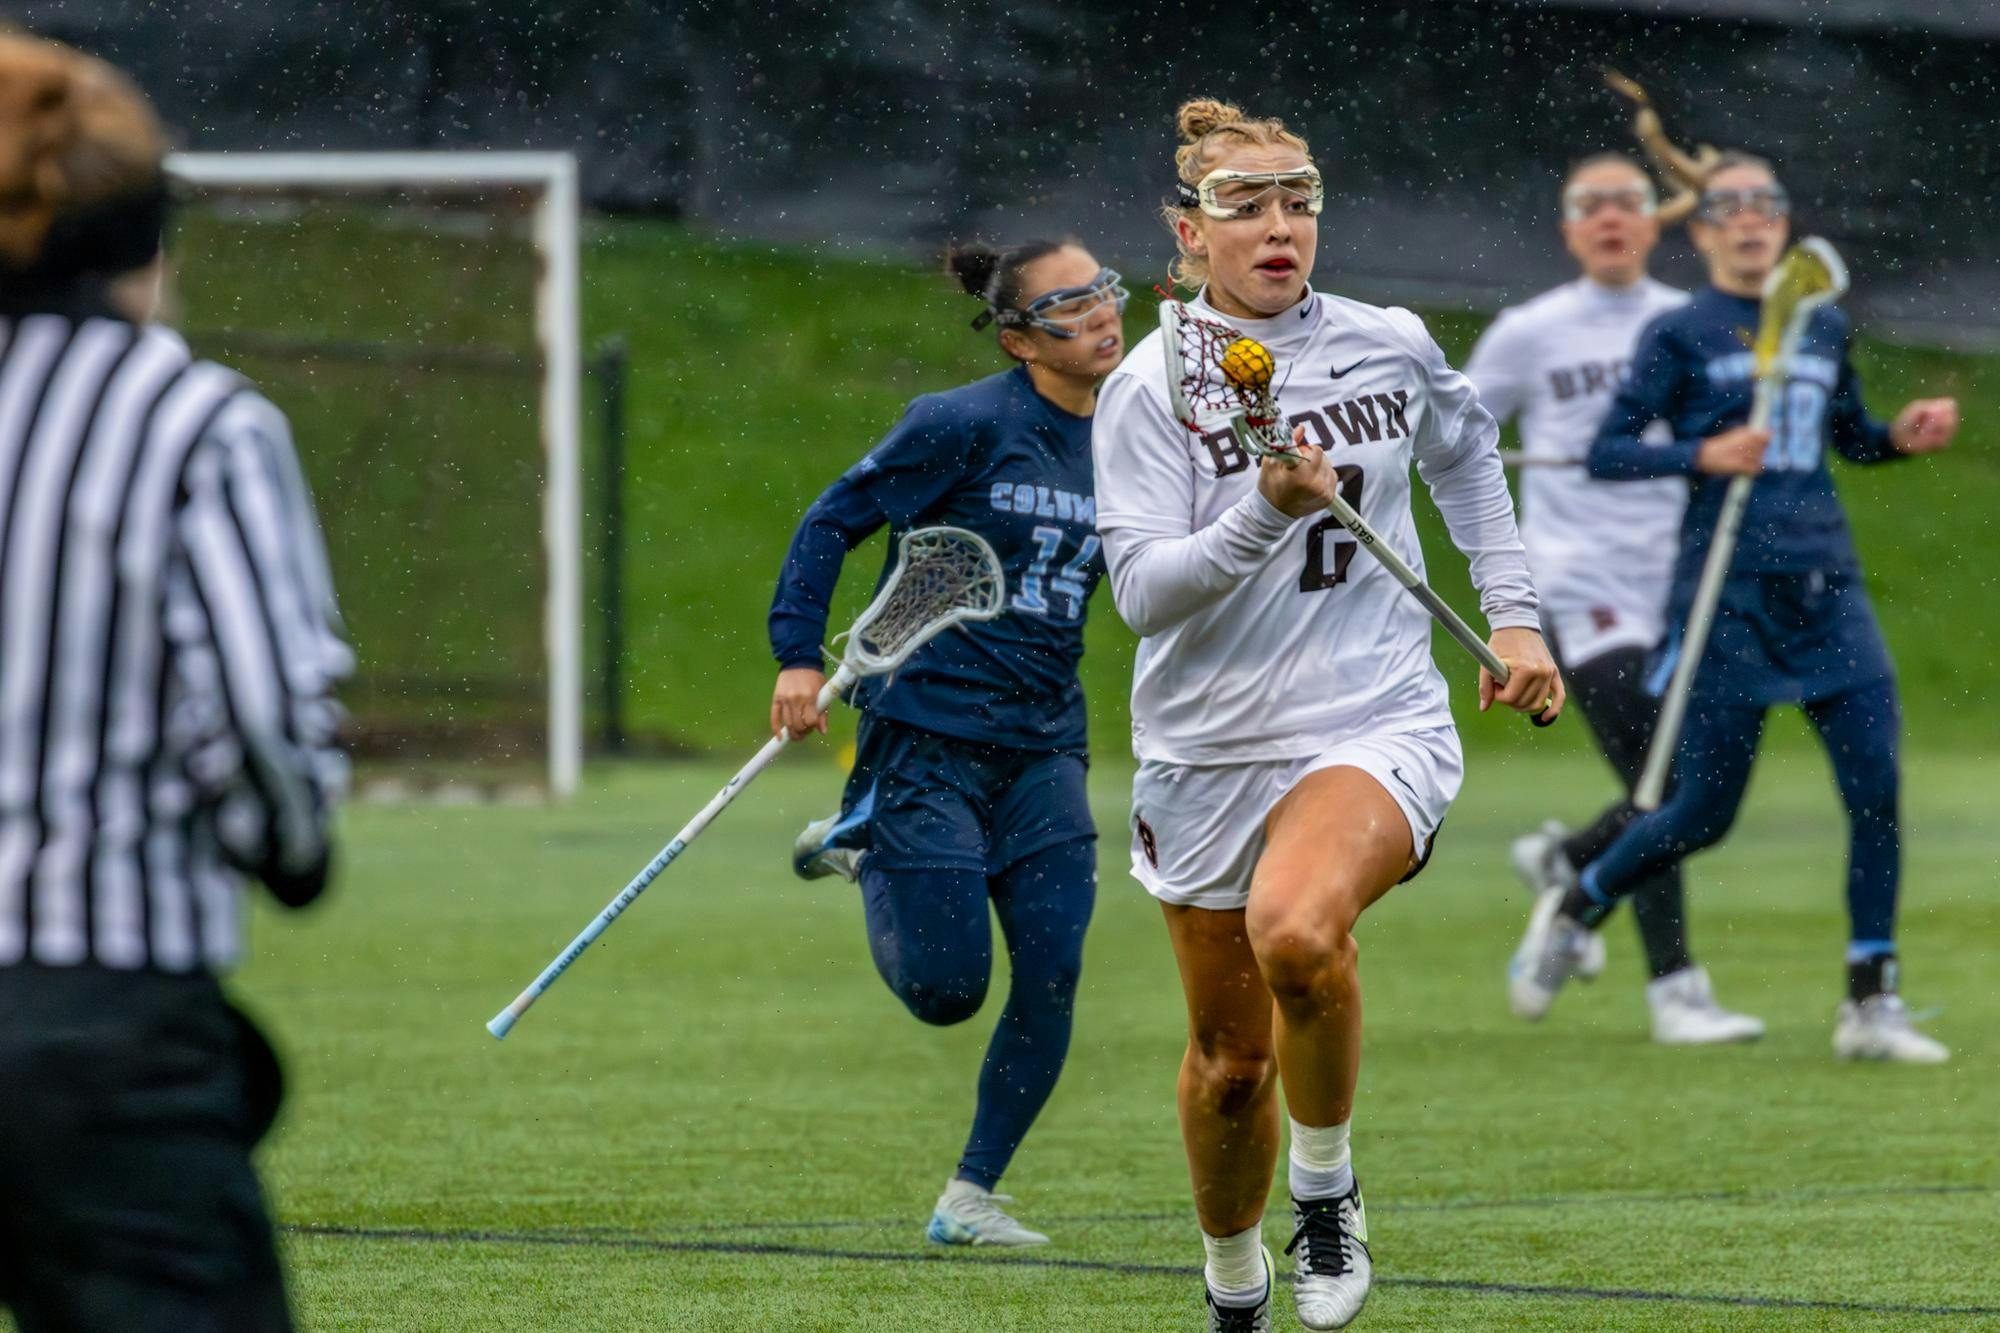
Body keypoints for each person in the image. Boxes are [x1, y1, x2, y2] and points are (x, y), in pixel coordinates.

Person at [1092, 99, 1562, 1331]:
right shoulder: (1148, 388)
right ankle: (1233, 1277)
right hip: (1204, 748)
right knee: (1231, 1066)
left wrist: (1510, 618)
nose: (1277, 226)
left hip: (1372, 713)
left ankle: (1327, 1191)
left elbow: (1463, 456)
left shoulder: (1386, 342)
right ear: (1188, 236)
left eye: (1296, 199)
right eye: (1242, 206)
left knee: (1296, 933)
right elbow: (1143, 595)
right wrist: (1264, 507)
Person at [0, 32, 350, 1332]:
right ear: (141, 229)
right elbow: (259, 716)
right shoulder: (191, 418)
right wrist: (293, 843)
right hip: (98, 1018)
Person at [1509, 152, 1958, 1063]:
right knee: (1701, 811)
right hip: (1727, 596)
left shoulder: (1821, 327)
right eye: (1730, 207)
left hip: (1829, 590)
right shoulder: (1682, 331)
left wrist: (1896, 441)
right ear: (1703, 229)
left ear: (1784, 224)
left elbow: (1847, 440)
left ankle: (1872, 1000)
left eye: (1767, 204)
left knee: (1876, 790)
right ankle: (1582, 894)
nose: (1751, 220)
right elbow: (1609, 450)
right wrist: (1703, 455)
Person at [766, 238, 1125, 1246]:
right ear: (1017, 339)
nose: (1101, 311)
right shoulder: (958, 425)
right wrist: (797, 656)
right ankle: (864, 833)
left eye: (1104, 288)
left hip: (1045, 742)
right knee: (946, 990)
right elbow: (831, 521)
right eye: (1070, 303)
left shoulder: (1137, 432)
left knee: (1052, 966)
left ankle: (969, 1193)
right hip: (924, 735)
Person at [1469, 153, 1763, 1044]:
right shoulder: (1530, 330)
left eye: (1627, 203)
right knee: (1663, 780)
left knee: (1671, 786)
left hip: (1680, 583)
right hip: (1579, 583)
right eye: (1589, 205)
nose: (1609, 218)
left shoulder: (1692, 322)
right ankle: (1676, 989)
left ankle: (1568, 859)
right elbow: (1456, 433)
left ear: (1655, 222)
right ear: (1568, 228)